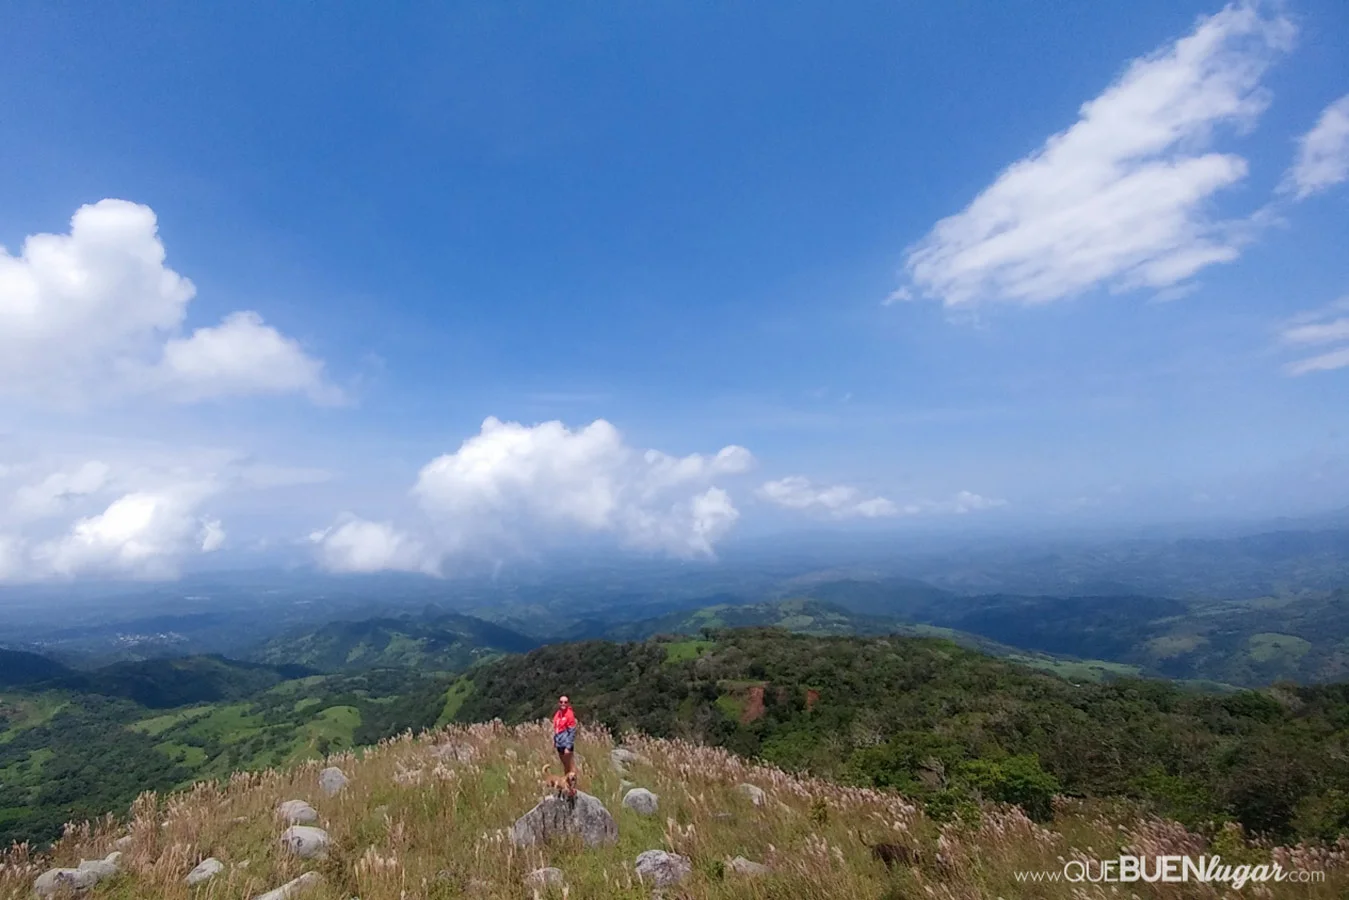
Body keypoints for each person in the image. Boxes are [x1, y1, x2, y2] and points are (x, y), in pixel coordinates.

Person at [552, 695, 577, 795]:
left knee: (570, 765)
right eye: (561, 702)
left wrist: (568, 746)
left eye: (565, 702)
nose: (563, 704)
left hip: (566, 743)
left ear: (568, 703)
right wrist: (555, 741)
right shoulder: (558, 714)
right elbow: (556, 729)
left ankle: (574, 787)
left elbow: (572, 732)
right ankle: (567, 785)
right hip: (559, 743)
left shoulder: (569, 714)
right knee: (565, 765)